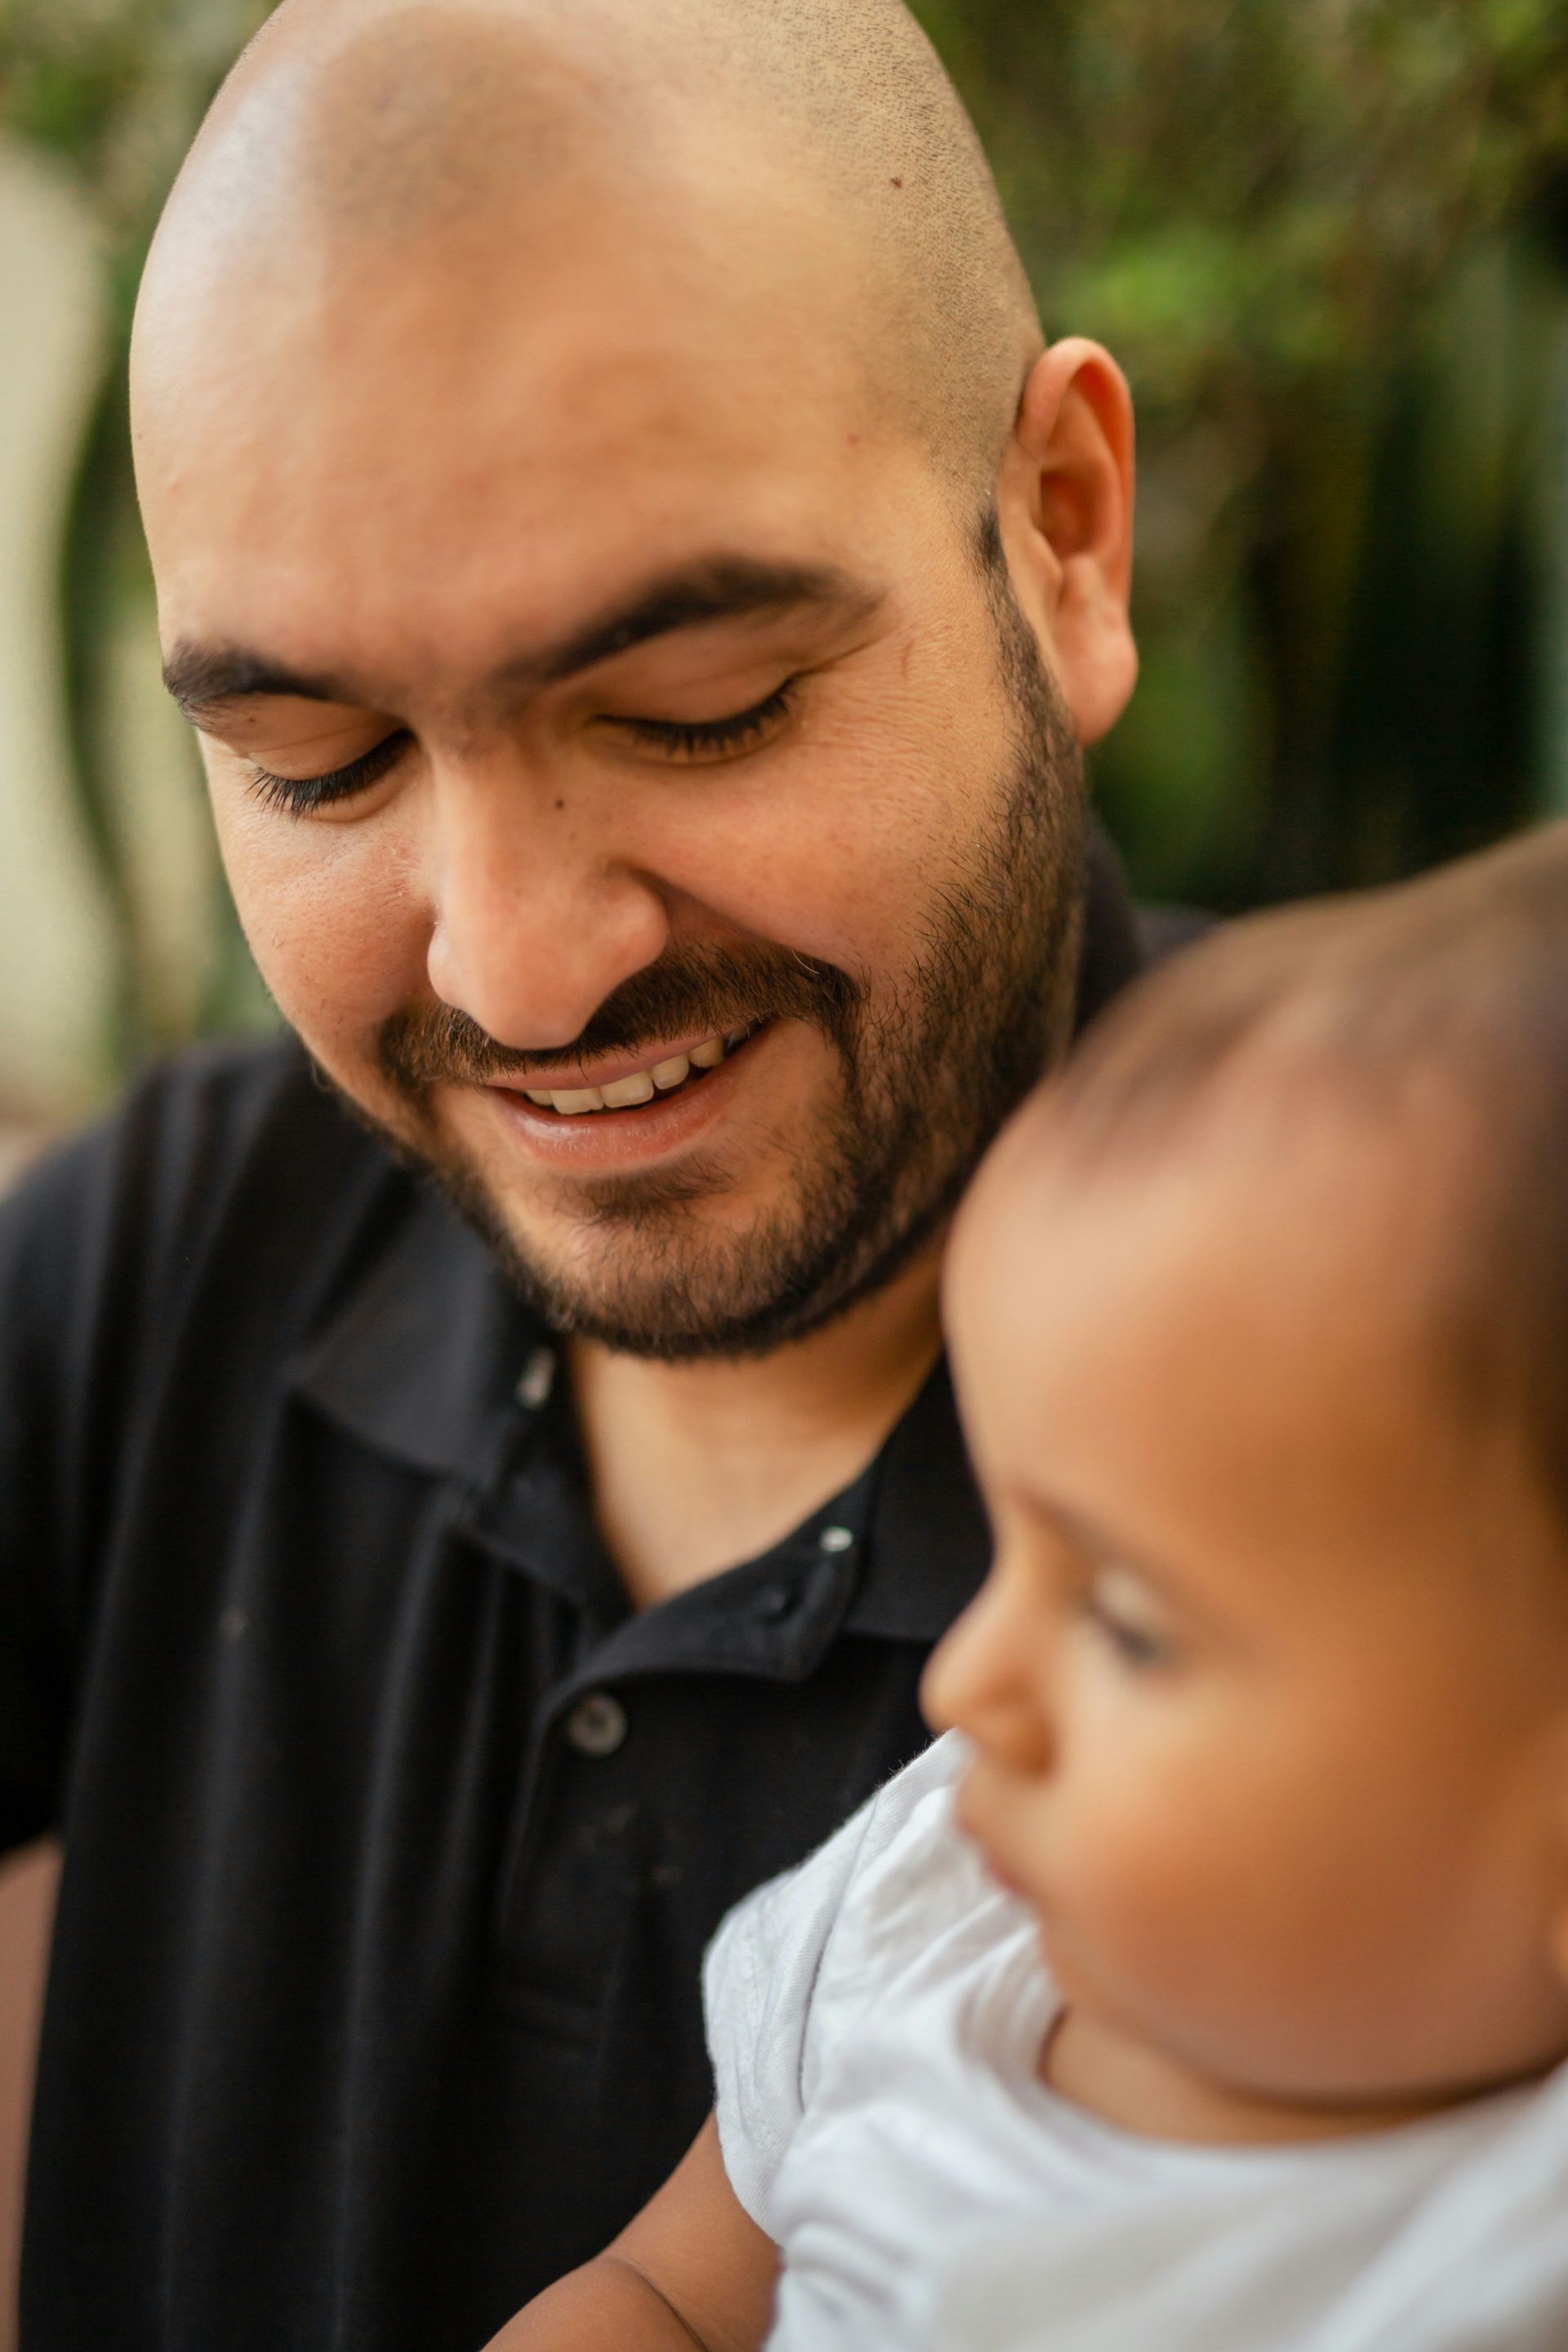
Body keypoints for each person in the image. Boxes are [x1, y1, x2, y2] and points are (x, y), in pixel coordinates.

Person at [0, 0, 1149, 2345]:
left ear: (1061, 537)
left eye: (701, 708)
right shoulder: (173, 1262)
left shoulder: (1450, 1400)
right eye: (321, 765)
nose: (520, 977)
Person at [495, 821, 1568, 2352]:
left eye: (1128, 1624)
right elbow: (665, 2296)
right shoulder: (931, 1910)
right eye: (1013, 1554)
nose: (964, 1685)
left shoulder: (1503, 2241)